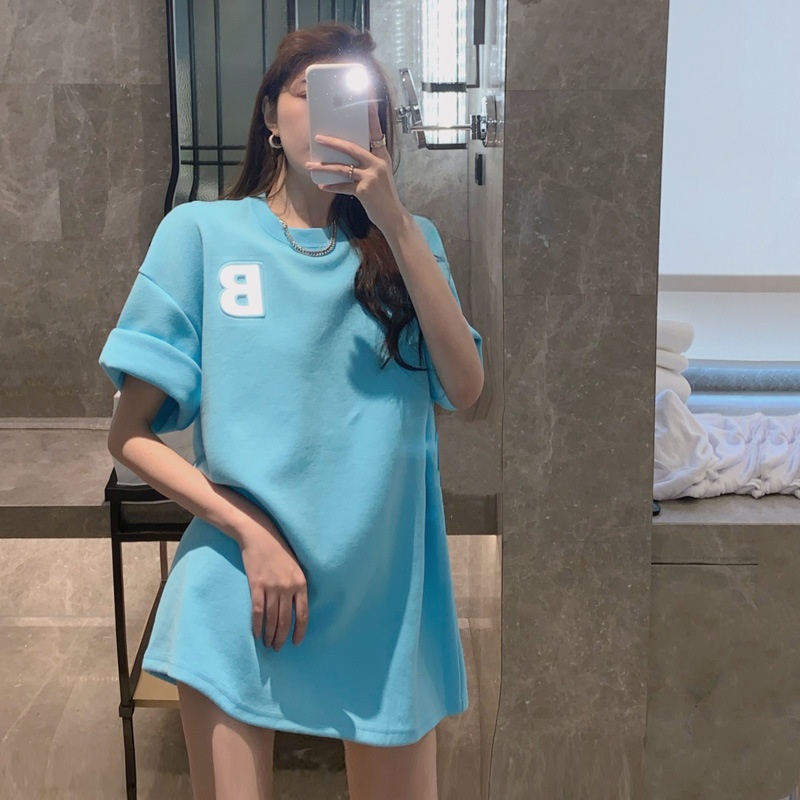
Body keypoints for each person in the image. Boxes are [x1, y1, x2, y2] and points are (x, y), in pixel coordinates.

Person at [99, 21, 484, 800]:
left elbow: (466, 388)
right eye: (310, 92)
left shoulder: (411, 245)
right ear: (271, 116)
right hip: (243, 578)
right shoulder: (201, 234)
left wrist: (395, 221)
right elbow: (128, 435)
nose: (333, 112)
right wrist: (250, 533)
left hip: (383, 594)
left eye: (358, 98)